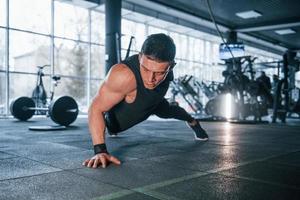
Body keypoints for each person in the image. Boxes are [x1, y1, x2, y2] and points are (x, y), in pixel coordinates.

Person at [83, 33, 208, 169]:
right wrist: (100, 151)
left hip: (155, 102)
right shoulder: (123, 75)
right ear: (140, 56)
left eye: (160, 73)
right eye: (145, 69)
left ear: (171, 66)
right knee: (113, 126)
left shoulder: (168, 70)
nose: (150, 79)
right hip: (124, 114)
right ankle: (112, 128)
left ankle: (194, 122)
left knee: (173, 112)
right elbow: (96, 108)